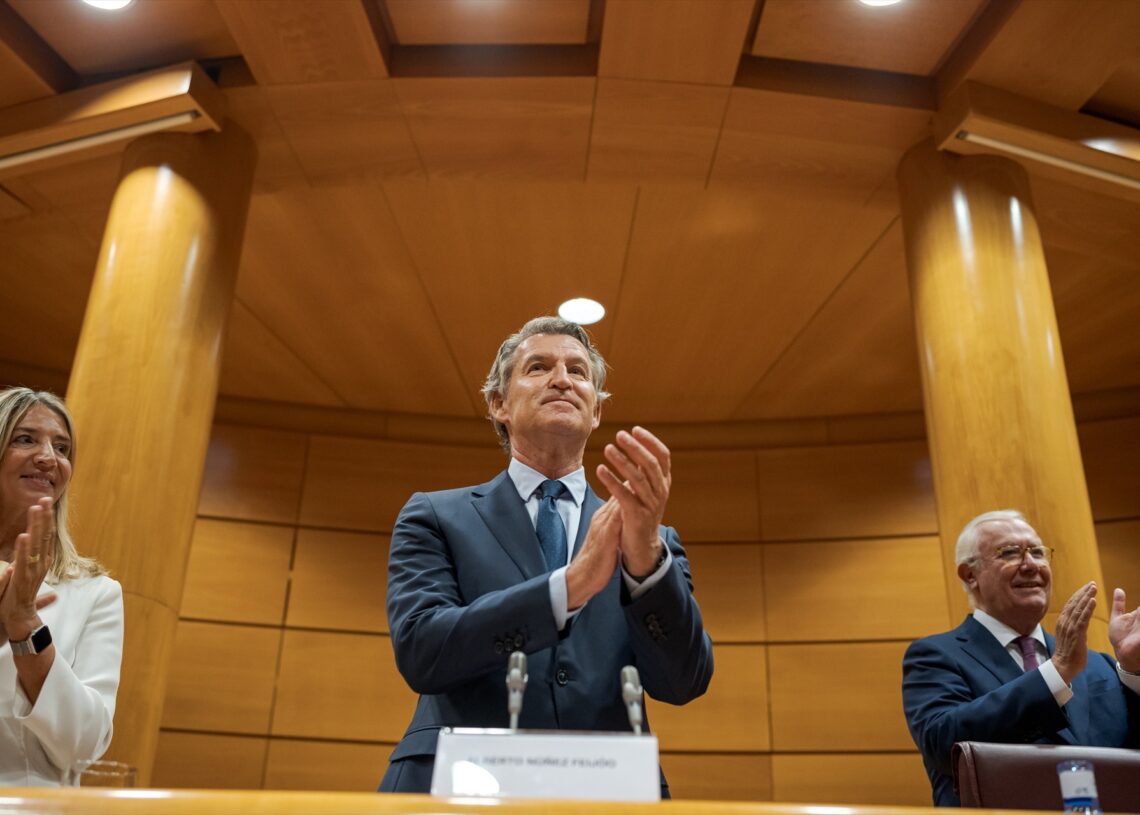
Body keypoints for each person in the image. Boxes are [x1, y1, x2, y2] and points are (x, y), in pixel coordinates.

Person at [380, 316, 714, 796]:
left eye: (578, 372)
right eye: (539, 367)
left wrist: (644, 568)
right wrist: (568, 588)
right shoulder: (435, 515)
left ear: (595, 412)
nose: (562, 379)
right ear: (499, 404)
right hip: (458, 788)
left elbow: (683, 682)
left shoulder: (652, 539)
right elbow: (423, 652)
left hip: (607, 796)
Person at [902, 509, 1140, 806]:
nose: (1030, 565)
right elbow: (944, 746)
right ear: (970, 575)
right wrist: (1056, 672)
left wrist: (1133, 671)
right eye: (1010, 553)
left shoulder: (1102, 665)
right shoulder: (935, 656)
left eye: (1038, 552)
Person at [0, 388, 124, 786]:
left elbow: (85, 745)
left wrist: (25, 627)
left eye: (62, 447)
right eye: (25, 439)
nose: (49, 458)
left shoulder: (96, 593)